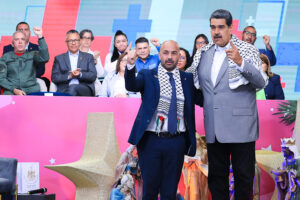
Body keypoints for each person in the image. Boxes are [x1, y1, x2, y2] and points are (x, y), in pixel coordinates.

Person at [187, 9, 268, 199]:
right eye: (213, 27)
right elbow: (195, 84)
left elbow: (261, 82)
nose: (216, 31)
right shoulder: (203, 53)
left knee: (244, 177)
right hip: (214, 127)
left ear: (231, 28)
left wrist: (240, 62)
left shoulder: (247, 50)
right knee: (216, 178)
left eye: (221, 27)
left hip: (241, 127)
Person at [125, 40, 202, 199]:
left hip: (177, 142)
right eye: (165, 53)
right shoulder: (147, 75)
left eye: (174, 53)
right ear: (159, 55)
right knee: (150, 191)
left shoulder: (187, 79)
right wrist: (131, 65)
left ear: (179, 56)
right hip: (151, 141)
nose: (169, 57)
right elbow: (131, 85)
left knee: (169, 192)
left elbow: (203, 100)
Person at [0, 27, 49, 95]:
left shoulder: (33, 55)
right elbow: (1, 78)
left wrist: (40, 37)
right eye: (17, 39)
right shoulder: (5, 58)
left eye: (23, 39)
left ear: (26, 43)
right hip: (11, 91)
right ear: (12, 44)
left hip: (31, 90)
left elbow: (45, 57)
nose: (20, 42)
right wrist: (14, 89)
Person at [51, 29, 97, 96]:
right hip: (65, 88)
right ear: (66, 42)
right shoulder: (59, 58)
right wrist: (69, 76)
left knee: (73, 88)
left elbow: (93, 76)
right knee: (71, 89)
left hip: (84, 89)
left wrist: (80, 74)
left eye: (75, 40)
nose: (73, 43)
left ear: (80, 42)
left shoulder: (88, 57)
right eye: (70, 41)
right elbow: (54, 77)